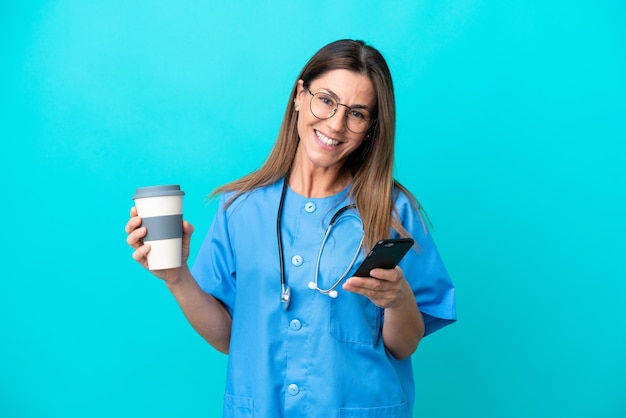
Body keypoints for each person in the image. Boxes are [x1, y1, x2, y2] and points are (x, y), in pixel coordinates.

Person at [126, 39, 456, 418]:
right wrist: (176, 276)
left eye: (358, 114)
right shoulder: (239, 208)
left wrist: (398, 301)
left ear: (370, 128)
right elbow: (227, 337)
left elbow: (404, 345)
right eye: (327, 100)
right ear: (300, 95)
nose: (335, 124)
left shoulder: (394, 213)